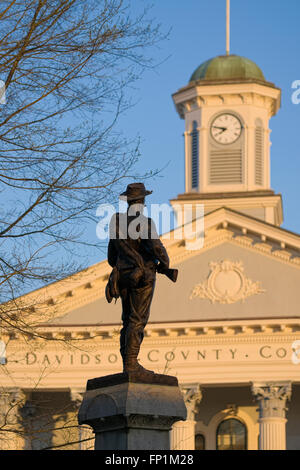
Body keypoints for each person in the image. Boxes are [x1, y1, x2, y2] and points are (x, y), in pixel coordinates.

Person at [107, 183, 171, 375]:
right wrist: (165, 264)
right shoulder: (145, 222)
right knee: (138, 319)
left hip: (123, 275)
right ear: (142, 201)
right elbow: (157, 248)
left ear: (127, 201)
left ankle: (127, 362)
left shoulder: (116, 220)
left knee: (127, 320)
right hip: (142, 276)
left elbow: (111, 257)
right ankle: (132, 363)